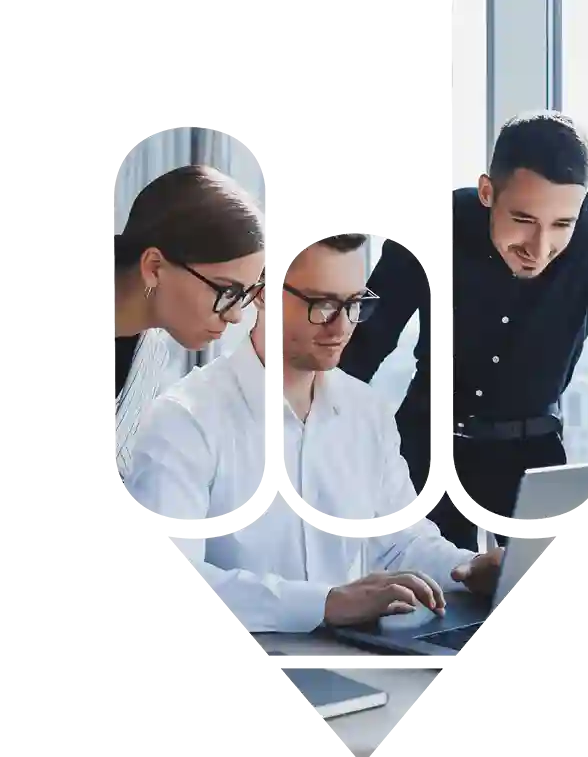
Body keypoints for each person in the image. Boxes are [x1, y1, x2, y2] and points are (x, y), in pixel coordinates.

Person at [125, 232, 503, 634]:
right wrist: (325, 603)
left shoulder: (366, 412)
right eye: (322, 305)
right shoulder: (185, 419)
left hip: (358, 659)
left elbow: (400, 543)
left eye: (355, 303)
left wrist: (467, 569)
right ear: (261, 293)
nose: (341, 326)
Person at [340, 112, 588, 549]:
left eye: (563, 224)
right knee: (418, 599)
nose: (540, 250)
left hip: (534, 462)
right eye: (523, 219)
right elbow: (359, 350)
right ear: (487, 192)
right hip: (422, 458)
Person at [112, 165, 266, 484]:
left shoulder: (151, 351)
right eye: (227, 291)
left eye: (245, 294)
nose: (235, 315)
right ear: (154, 267)